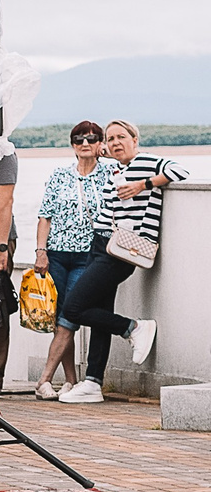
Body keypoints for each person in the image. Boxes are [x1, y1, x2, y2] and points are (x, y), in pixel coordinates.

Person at [56, 121, 183, 403]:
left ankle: (134, 327)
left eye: (121, 137)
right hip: (100, 244)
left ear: (135, 139)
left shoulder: (146, 162)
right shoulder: (116, 169)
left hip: (121, 251)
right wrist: (101, 152)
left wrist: (143, 185)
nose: (115, 142)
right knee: (99, 311)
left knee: (73, 308)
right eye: (110, 138)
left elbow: (180, 171)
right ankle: (93, 382)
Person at [31, 121, 116, 397]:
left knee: (70, 314)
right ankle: (69, 379)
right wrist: (40, 251)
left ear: (100, 143)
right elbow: (45, 215)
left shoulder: (111, 174)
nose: (85, 144)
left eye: (91, 139)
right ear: (72, 145)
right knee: (59, 318)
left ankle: (44, 379)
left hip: (88, 256)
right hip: (57, 254)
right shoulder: (60, 175)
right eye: (78, 139)